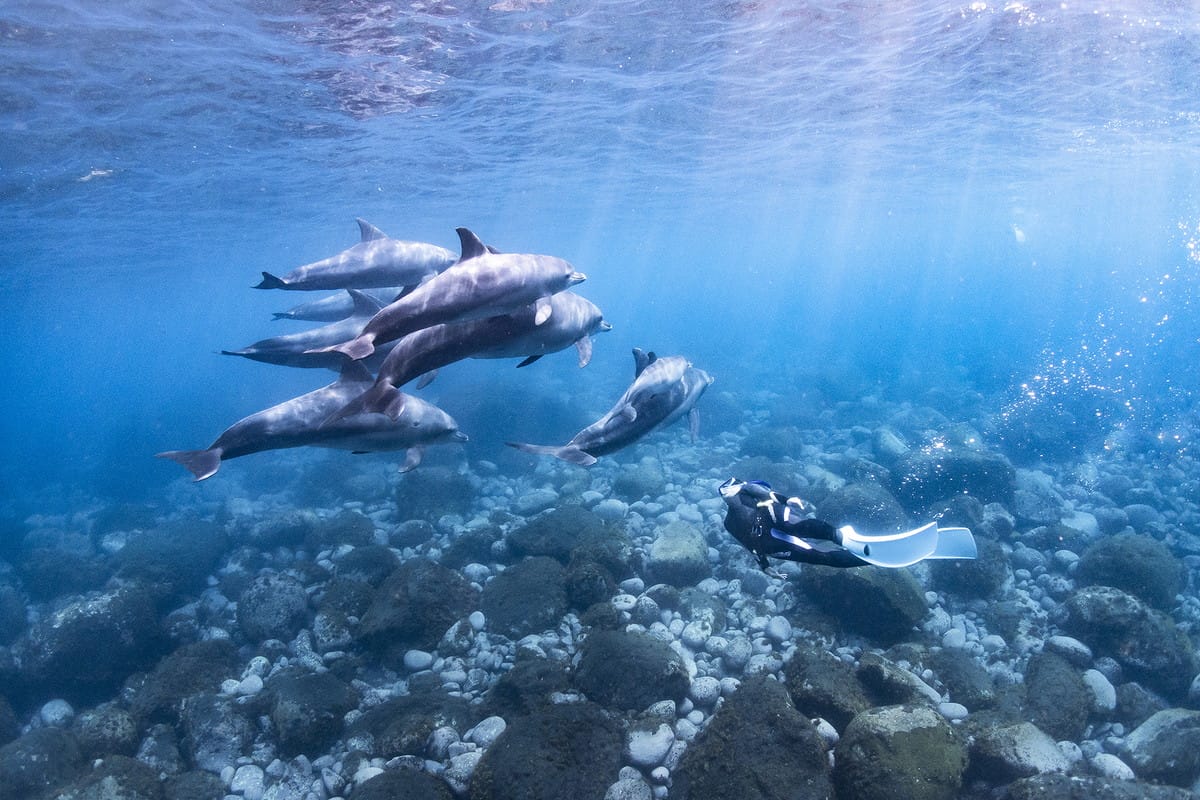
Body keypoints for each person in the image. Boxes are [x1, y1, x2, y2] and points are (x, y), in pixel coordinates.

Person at [718, 477, 977, 570]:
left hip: (769, 536)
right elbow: (756, 495)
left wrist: (763, 564)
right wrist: (763, 564)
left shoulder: (748, 504)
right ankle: (859, 549)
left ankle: (849, 542)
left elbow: (762, 495)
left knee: (807, 537)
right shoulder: (741, 508)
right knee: (820, 555)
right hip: (767, 541)